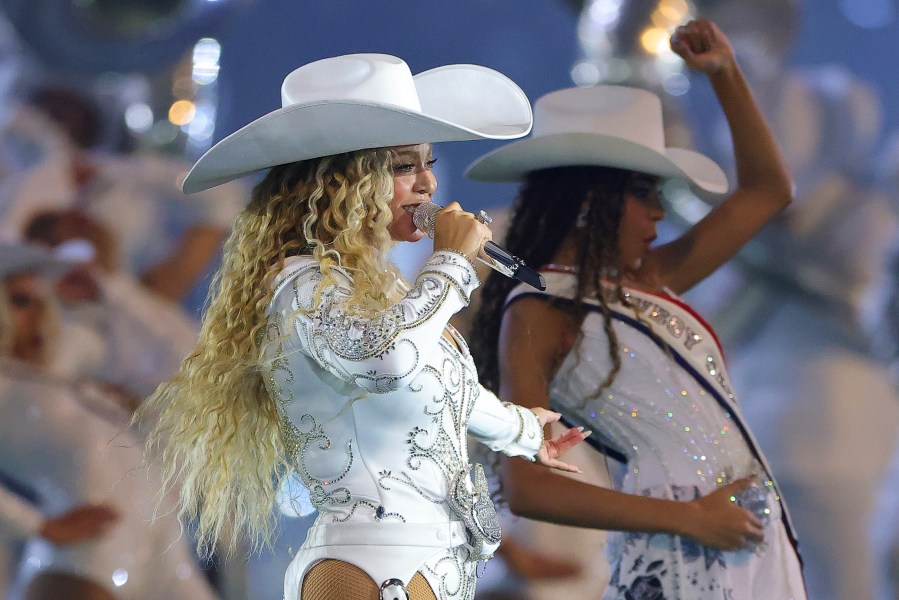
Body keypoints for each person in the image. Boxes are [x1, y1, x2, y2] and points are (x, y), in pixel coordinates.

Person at [138, 53, 588, 600]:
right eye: (402, 166)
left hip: (442, 566)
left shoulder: (393, 295)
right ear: (342, 181)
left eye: (428, 162)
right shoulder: (300, 284)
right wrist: (450, 265)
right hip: (365, 564)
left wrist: (526, 431)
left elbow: (445, 393)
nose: (428, 183)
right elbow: (384, 362)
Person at [467, 19, 806, 599]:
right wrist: (691, 519)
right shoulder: (541, 309)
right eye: (643, 194)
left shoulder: (648, 278)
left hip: (747, 535)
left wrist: (725, 75)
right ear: (589, 201)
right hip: (682, 547)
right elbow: (527, 485)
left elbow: (768, 192)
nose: (658, 214)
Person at [0, 241, 220, 600]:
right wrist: (40, 526)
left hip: (167, 563)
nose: (38, 315)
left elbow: (192, 372)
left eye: (44, 301)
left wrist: (112, 290)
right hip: (82, 565)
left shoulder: (69, 377)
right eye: (20, 301)